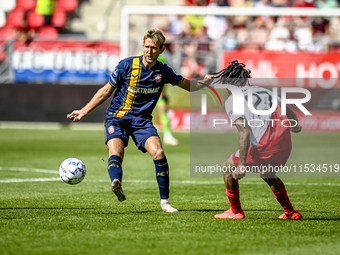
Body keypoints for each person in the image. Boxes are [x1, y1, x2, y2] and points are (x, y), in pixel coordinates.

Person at [67, 29, 204, 213]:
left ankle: (165, 203)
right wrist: (83, 111)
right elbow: (106, 90)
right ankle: (117, 183)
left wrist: (206, 83)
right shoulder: (127, 65)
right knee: (116, 150)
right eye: (146, 47)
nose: (149, 51)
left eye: (153, 48)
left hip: (142, 121)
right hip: (117, 118)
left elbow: (187, 85)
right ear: (142, 47)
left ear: (161, 50)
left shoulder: (163, 71)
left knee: (159, 152)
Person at [206, 60, 302, 219]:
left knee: (228, 167)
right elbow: (290, 113)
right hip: (285, 145)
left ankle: (235, 211)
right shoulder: (266, 92)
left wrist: (242, 165)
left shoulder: (233, 100)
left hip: (265, 147)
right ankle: (290, 212)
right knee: (267, 173)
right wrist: (296, 127)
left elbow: (244, 132)